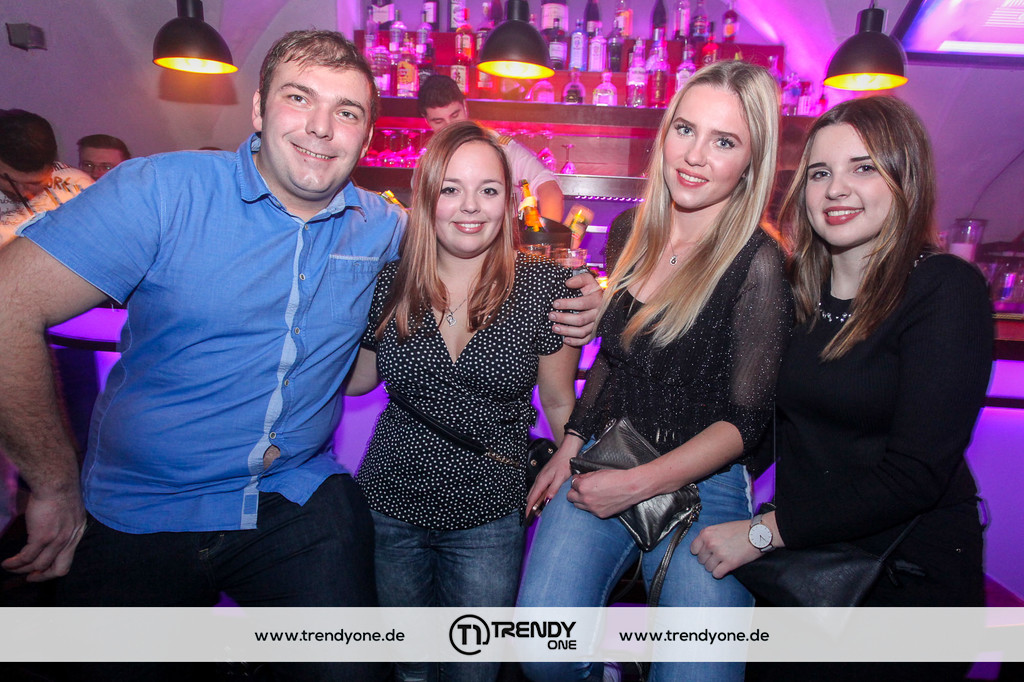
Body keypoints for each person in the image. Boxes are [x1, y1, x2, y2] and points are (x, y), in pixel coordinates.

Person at [0, 30, 600, 681]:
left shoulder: (381, 227)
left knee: (359, 672)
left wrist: (588, 295)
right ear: (259, 108)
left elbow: (461, 239)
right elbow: (9, 304)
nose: (321, 126)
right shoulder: (161, 190)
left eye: (347, 111)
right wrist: (52, 482)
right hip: (143, 505)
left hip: (290, 497)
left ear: (366, 138)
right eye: (299, 97)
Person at [692, 96, 993, 682]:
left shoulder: (944, 288)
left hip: (903, 578)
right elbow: (771, 427)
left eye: (864, 168)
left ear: (905, 178)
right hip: (806, 561)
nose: (836, 189)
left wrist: (761, 533)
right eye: (820, 173)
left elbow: (915, 474)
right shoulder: (797, 289)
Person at [517, 60, 793, 682]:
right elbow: (615, 365)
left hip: (706, 483)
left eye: (724, 141)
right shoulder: (629, 232)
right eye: (685, 130)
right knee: (542, 654)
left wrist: (638, 485)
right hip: (609, 452)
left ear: (751, 161)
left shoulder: (760, 263)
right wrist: (572, 444)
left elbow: (744, 423)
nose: (694, 156)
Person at [346, 120, 580, 682]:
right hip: (389, 507)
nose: (470, 206)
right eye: (451, 188)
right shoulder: (391, 282)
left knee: (473, 672)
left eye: (488, 190)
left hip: (488, 516)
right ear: (427, 198)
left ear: (509, 201)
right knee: (408, 668)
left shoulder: (544, 289)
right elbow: (356, 381)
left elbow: (558, 402)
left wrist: (574, 463)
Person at [416, 74, 564, 221]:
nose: (451, 126)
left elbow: (550, 190)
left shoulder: (500, 148)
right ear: (426, 120)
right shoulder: (428, 162)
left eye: (455, 116)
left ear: (465, 107)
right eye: (439, 121)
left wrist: (548, 235)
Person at [0, 109, 92, 248]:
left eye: (34, 183)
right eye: (9, 180)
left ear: (51, 167)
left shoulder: (78, 188)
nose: (23, 192)